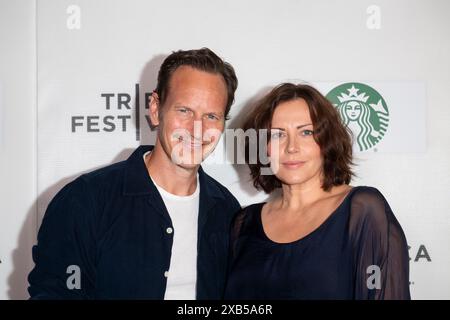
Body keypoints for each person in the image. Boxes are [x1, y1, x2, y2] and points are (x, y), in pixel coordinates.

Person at [28, 48, 241, 299]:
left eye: (211, 116)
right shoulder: (84, 201)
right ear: (155, 108)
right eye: (184, 110)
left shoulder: (228, 212)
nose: (198, 128)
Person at [224, 83, 410, 299]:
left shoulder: (361, 211)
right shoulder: (243, 222)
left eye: (306, 132)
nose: (291, 147)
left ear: (326, 141)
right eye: (277, 135)